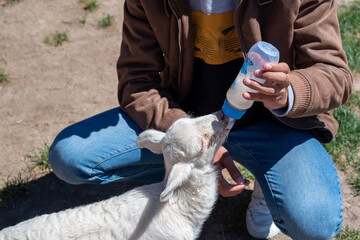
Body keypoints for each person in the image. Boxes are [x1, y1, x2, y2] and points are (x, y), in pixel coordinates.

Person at [48, 0, 353, 239]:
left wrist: (287, 94)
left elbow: (335, 75)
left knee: (315, 222)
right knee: (70, 156)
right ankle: (184, 164)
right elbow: (136, 80)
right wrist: (188, 137)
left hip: (273, 125)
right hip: (187, 118)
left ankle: (266, 181)